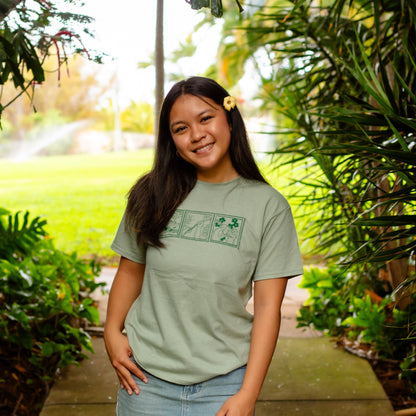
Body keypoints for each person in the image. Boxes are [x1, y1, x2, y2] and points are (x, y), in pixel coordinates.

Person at [104, 76, 303, 416]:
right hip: (144, 382)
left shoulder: (268, 206)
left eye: (205, 118)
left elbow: (269, 309)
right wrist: (111, 332)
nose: (196, 135)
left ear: (229, 116)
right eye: (181, 128)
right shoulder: (151, 194)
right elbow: (131, 271)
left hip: (225, 385)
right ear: (172, 140)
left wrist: (248, 394)